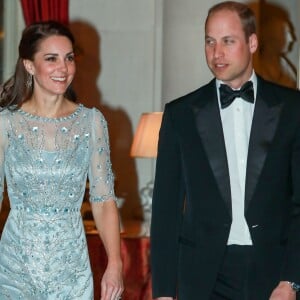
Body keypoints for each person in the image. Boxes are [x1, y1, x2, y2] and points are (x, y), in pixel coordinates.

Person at [150, 1, 300, 300]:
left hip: (274, 276)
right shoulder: (181, 114)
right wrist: (164, 292)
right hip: (203, 278)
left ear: (252, 42)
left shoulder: (292, 109)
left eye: (228, 41)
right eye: (210, 41)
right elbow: (166, 211)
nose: (216, 53)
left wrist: (291, 280)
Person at [0, 20, 123, 300]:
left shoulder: (91, 122)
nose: (64, 68)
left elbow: (104, 201)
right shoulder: (6, 123)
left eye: (68, 58)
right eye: (51, 59)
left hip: (71, 270)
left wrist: (115, 264)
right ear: (29, 65)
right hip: (15, 268)